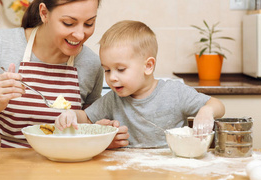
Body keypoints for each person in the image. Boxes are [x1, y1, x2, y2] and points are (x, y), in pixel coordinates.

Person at [0, 0, 129, 148]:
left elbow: (85, 127)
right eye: (68, 23)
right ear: (44, 13)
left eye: (89, 23)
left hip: (63, 166)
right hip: (3, 165)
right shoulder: (2, 44)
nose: (79, 35)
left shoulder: (91, 63)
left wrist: (102, 134)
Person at [55, 20, 225, 148]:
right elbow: (86, 118)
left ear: (148, 66)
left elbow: (217, 105)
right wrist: (71, 116)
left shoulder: (174, 92)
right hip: (126, 174)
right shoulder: (113, 99)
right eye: (107, 70)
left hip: (170, 171)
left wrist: (206, 111)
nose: (112, 77)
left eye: (120, 69)